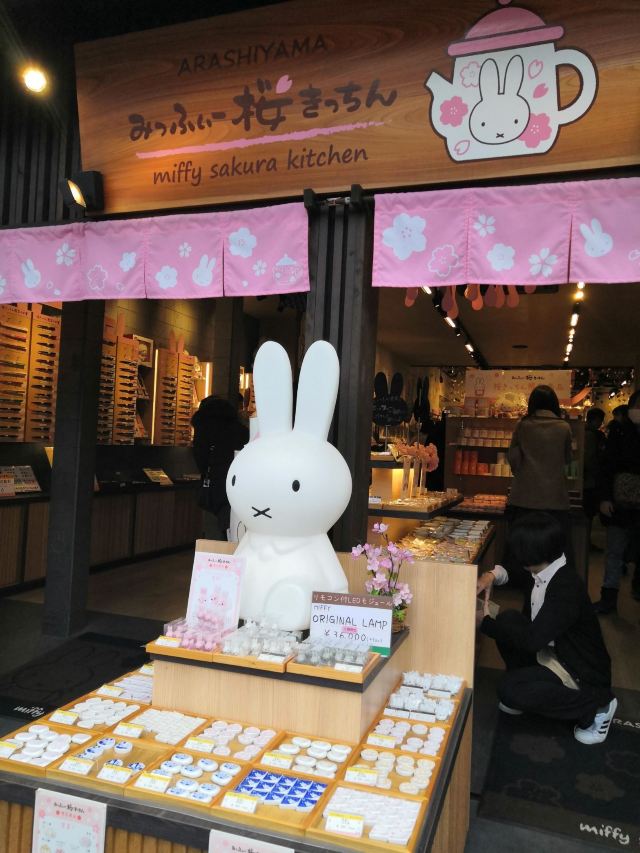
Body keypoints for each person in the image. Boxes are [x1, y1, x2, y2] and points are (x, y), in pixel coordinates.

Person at [477, 512, 616, 745]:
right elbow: (513, 572)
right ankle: (529, 688)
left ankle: (597, 705)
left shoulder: (565, 587)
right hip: (553, 653)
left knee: (509, 690)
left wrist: (485, 622)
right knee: (509, 620)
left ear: (531, 553)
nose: (514, 554)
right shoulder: (546, 565)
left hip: (579, 670)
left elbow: (532, 641)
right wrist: (491, 575)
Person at [502, 385, 574, 570]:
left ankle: (522, 583)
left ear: (532, 404)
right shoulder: (564, 427)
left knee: (523, 551)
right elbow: (568, 459)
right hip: (555, 500)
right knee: (553, 553)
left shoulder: (523, 425)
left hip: (524, 499)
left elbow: (514, 458)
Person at [594, 389, 640, 613]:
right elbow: (606, 467)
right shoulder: (619, 432)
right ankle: (608, 598)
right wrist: (604, 498)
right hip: (618, 503)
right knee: (614, 551)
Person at [191, 395, 249, 540]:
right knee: (235, 529)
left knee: (213, 533)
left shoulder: (204, 427)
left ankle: (215, 552)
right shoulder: (240, 429)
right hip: (239, 486)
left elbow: (200, 457)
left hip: (215, 487)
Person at [583, 407, 606, 548]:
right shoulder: (592, 435)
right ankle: (586, 542)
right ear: (594, 420)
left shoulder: (582, 432)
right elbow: (590, 459)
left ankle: (585, 541)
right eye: (600, 420)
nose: (600, 423)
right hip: (590, 481)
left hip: (585, 479)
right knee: (588, 513)